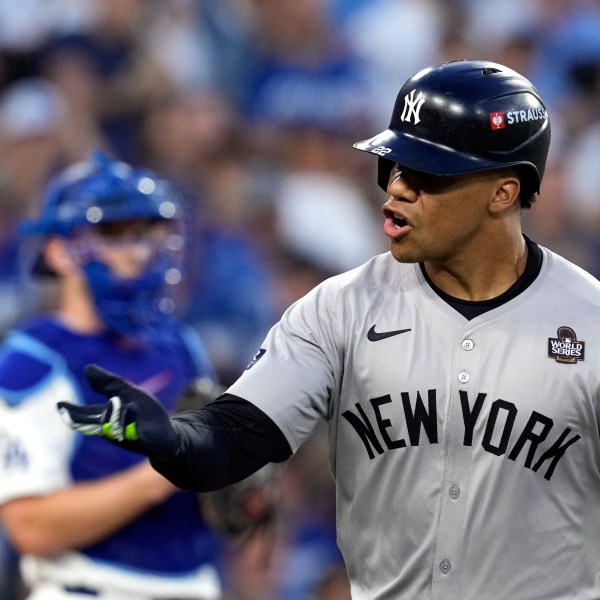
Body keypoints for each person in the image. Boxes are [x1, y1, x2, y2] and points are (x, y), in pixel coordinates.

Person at [56, 59, 599, 599]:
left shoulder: (589, 322)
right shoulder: (339, 309)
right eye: (392, 166)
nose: (398, 189)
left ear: (503, 193)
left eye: (427, 173)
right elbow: (237, 434)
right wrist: (177, 441)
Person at [0, 151, 224, 600]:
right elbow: (29, 526)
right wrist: (160, 475)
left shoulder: (181, 345)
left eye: (145, 232)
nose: (138, 252)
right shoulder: (33, 361)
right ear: (61, 251)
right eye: (112, 234)